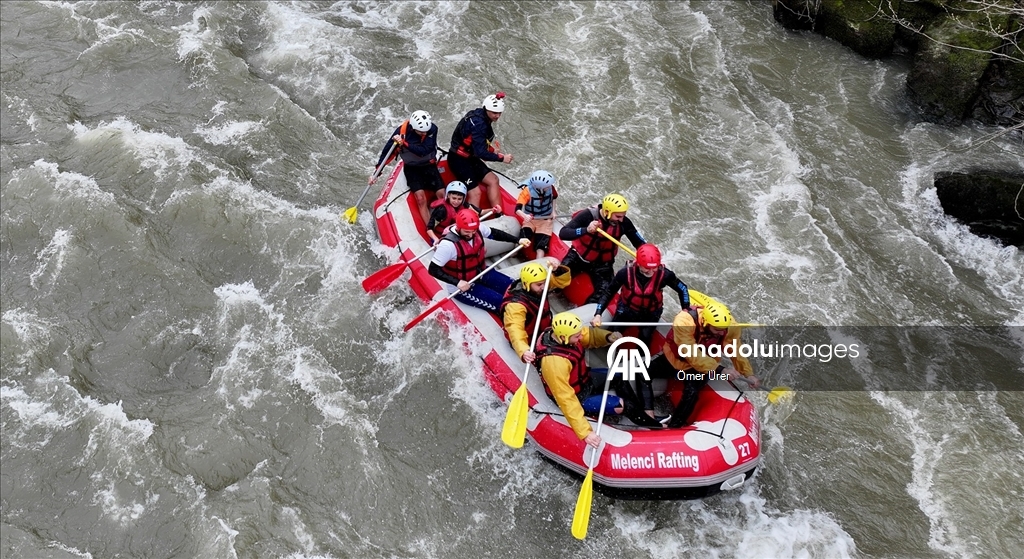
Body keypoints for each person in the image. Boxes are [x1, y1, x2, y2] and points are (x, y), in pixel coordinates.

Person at [591, 243, 691, 420]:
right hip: (627, 309)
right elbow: (609, 291)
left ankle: (637, 371)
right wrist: (598, 313)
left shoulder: (664, 274)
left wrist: (686, 311)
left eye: (653, 269)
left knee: (644, 340)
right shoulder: (625, 273)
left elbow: (682, 289)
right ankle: (612, 366)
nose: (651, 272)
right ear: (638, 264)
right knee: (612, 335)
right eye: (647, 269)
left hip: (650, 313)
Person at [656, 300, 762, 428]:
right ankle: (644, 412)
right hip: (674, 359)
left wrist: (748, 373)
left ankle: (674, 426)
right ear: (705, 323)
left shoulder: (730, 327)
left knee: (691, 392)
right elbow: (691, 353)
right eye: (717, 330)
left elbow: (735, 351)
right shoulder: (684, 321)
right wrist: (720, 370)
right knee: (640, 374)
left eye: (723, 330)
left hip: (702, 369)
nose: (721, 333)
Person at [536, 312, 625, 448]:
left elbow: (588, 335)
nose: (581, 336)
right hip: (578, 396)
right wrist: (585, 433)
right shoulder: (554, 363)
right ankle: (654, 425)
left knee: (619, 375)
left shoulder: (565, 335)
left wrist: (607, 337)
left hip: (586, 380)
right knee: (620, 405)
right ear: (563, 337)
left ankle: (646, 413)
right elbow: (565, 399)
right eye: (577, 336)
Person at [428, 208, 529, 312]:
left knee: (517, 288)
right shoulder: (447, 245)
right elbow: (433, 269)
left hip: (481, 272)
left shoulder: (477, 227)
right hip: (463, 287)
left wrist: (518, 240)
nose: (471, 235)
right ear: (458, 227)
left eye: (473, 231)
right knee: (505, 305)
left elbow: (495, 233)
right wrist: (457, 282)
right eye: (467, 232)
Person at [558, 193, 646, 305]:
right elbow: (563, 233)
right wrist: (586, 230)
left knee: (604, 294)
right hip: (578, 258)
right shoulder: (587, 216)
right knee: (557, 279)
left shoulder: (624, 223)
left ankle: (588, 314)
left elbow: (639, 243)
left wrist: (648, 253)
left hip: (603, 265)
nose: (621, 219)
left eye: (623, 215)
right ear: (607, 212)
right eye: (618, 216)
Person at [448, 92, 513, 215]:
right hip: (458, 159)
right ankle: (470, 223)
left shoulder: (480, 115)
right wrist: (501, 158)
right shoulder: (478, 124)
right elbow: (480, 153)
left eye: (499, 113)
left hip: (470, 158)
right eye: (494, 113)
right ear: (486, 109)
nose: (497, 116)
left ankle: (499, 214)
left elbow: (478, 142)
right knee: (475, 192)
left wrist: (492, 150)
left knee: (493, 180)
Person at [500, 259, 572, 363]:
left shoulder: (538, 285)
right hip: (530, 340)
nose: (544, 287)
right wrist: (524, 350)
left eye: (544, 283)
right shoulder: (515, 306)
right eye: (539, 285)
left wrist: (558, 271)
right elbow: (515, 330)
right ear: (527, 284)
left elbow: (562, 281)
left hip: (543, 330)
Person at [514, 170, 559, 259]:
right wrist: (525, 216)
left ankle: (538, 263)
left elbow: (554, 198)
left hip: (545, 219)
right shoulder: (527, 191)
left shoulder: (550, 188)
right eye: (547, 186)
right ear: (540, 188)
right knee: (524, 239)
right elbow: (517, 210)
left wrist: (553, 211)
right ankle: (514, 253)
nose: (550, 187)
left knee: (541, 246)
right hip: (531, 219)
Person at [425, 181, 480, 245]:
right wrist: (436, 239)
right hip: (442, 238)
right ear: (448, 195)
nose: (456, 202)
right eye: (454, 198)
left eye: (459, 199)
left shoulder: (464, 205)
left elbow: (480, 212)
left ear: (463, 198)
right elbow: (429, 228)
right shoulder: (442, 210)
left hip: (458, 235)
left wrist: (493, 209)